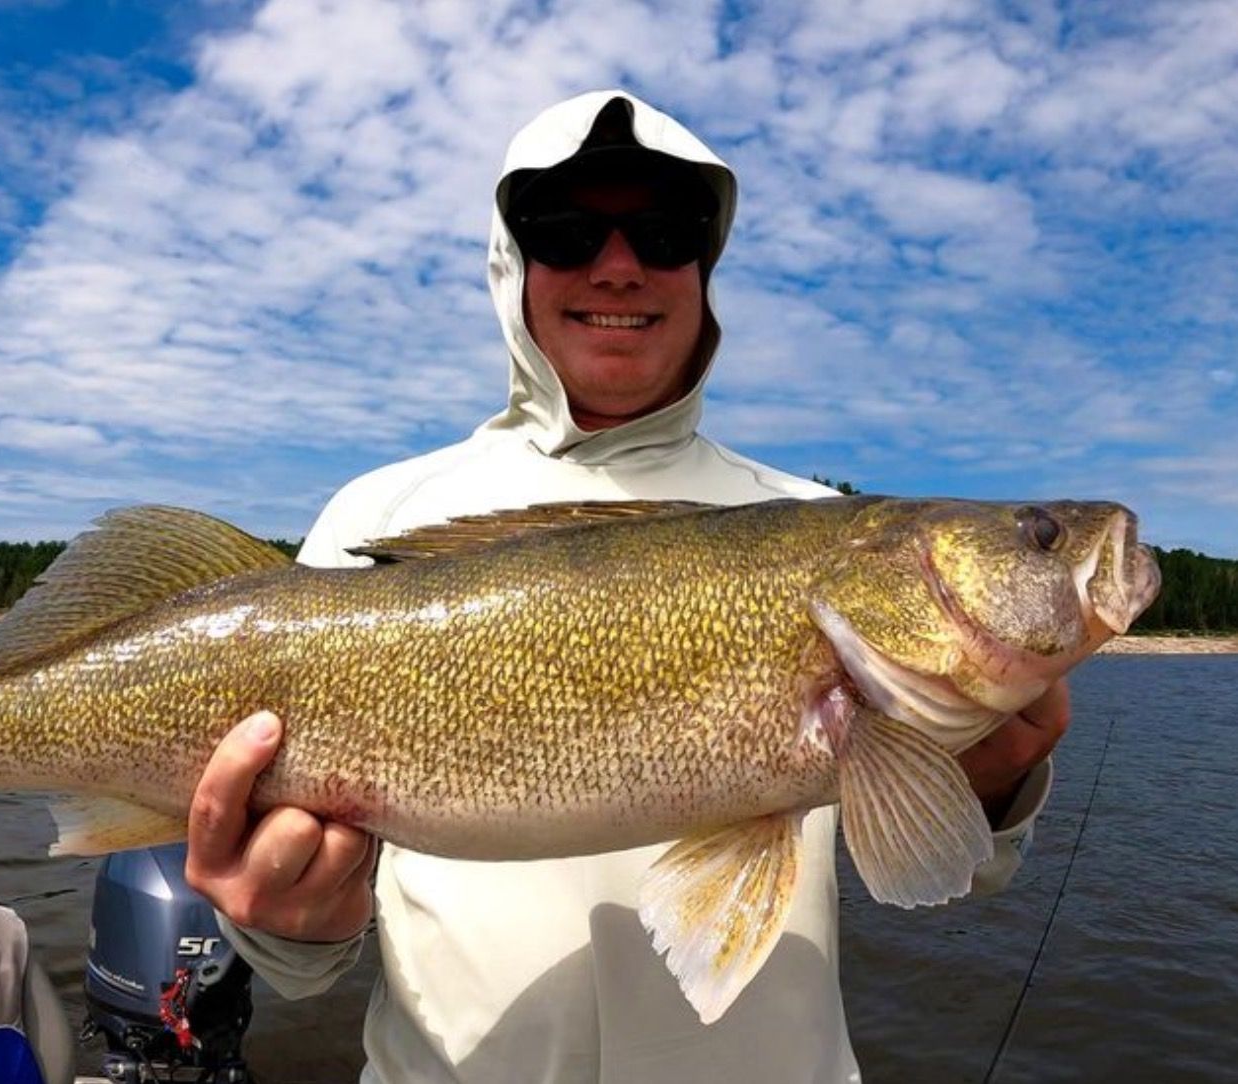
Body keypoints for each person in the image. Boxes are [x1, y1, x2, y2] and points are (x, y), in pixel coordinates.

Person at [183, 90, 1065, 1083]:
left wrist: (991, 784)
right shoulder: (372, 522)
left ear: (705, 263)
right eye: (562, 229)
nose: (617, 263)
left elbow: (951, 869)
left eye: (664, 229)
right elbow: (301, 967)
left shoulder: (805, 515)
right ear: (508, 259)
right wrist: (290, 930)